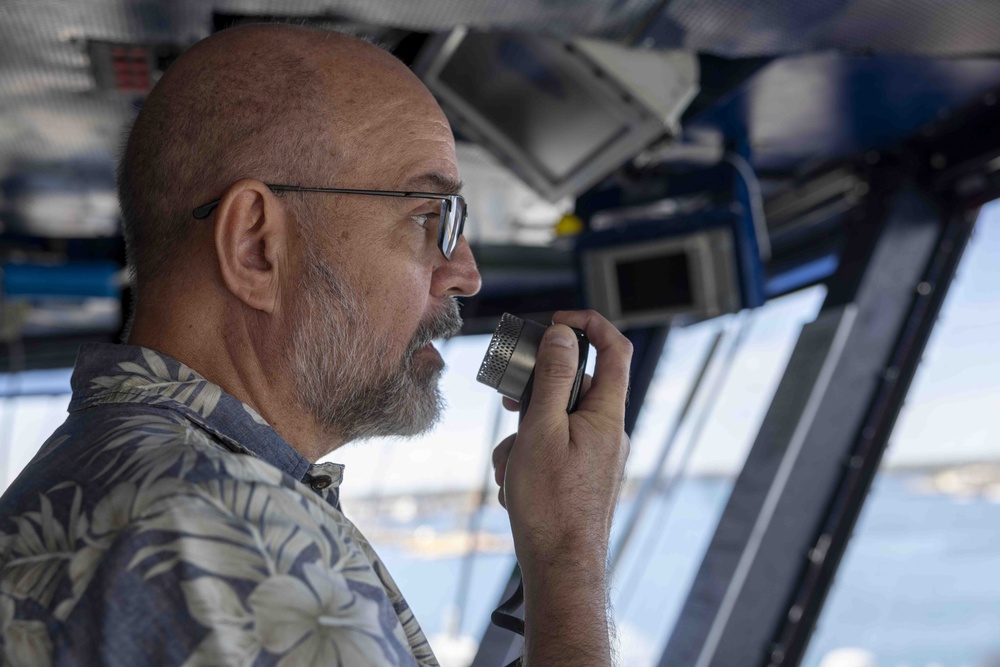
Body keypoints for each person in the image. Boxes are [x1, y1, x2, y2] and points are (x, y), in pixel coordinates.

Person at [0, 23, 631, 667]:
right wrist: (568, 555)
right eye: (427, 216)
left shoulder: (115, 479)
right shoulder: (232, 539)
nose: (466, 274)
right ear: (256, 246)